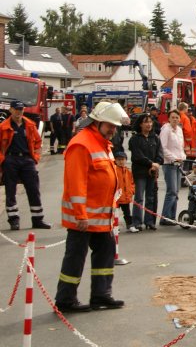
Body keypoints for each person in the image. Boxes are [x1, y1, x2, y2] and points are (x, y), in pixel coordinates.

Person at [55, 101, 128, 312]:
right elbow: (75, 184)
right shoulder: (81, 144)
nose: (113, 130)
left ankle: (101, 295)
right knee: (75, 258)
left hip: (101, 216)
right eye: (109, 126)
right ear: (96, 122)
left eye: (115, 127)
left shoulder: (102, 143)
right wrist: (81, 215)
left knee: (106, 252)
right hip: (84, 218)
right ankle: (66, 300)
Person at [0, 100, 50, 230]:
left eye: (21, 109)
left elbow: (38, 143)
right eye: (16, 109)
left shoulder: (30, 125)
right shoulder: (3, 126)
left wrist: (36, 158)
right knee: (10, 191)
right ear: (10, 110)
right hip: (11, 160)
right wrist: (3, 160)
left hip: (27, 160)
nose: (19, 112)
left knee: (33, 189)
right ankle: (13, 220)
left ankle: (38, 219)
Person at [129, 114, 163, 231]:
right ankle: (137, 222)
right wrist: (150, 163)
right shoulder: (135, 139)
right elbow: (137, 156)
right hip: (140, 172)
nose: (149, 124)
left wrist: (157, 164)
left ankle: (150, 221)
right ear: (140, 124)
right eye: (146, 122)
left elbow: (160, 153)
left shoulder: (155, 138)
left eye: (150, 122)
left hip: (152, 173)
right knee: (139, 198)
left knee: (151, 197)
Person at [159, 110, 186, 225]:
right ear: (169, 118)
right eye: (173, 117)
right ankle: (165, 217)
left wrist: (182, 157)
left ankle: (172, 217)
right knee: (171, 191)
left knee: (176, 191)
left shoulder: (179, 130)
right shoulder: (165, 130)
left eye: (177, 117)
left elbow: (181, 147)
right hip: (169, 164)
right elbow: (163, 148)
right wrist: (173, 158)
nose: (175, 119)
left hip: (179, 163)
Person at [113, 151, 136, 232]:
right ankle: (115, 226)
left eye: (123, 159)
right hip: (116, 197)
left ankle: (130, 225)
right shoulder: (114, 170)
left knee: (127, 213)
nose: (121, 161)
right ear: (115, 160)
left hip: (126, 196)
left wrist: (132, 191)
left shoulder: (128, 171)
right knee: (115, 213)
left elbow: (132, 182)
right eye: (119, 160)